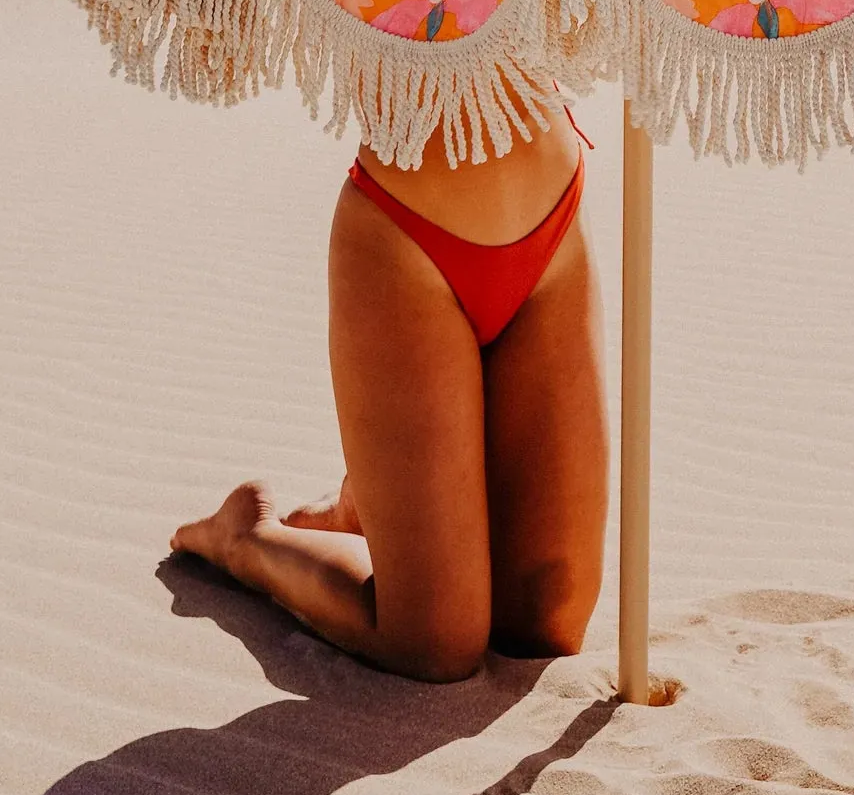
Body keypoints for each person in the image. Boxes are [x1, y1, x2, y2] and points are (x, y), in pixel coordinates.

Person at [169, 102, 607, 681]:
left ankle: (370, 504)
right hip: (402, 238)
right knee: (434, 646)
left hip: (553, 224)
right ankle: (247, 537)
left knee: (543, 628)